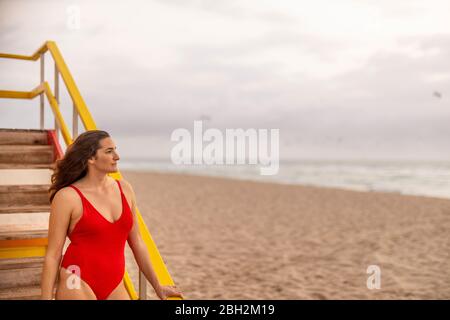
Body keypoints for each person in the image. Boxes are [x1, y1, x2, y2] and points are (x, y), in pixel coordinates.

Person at [41, 130, 183, 300]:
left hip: (114, 284)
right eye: (109, 151)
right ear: (91, 158)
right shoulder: (67, 197)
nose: (117, 156)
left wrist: (158, 286)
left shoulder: (125, 189)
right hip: (76, 278)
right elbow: (53, 254)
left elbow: (137, 242)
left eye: (115, 150)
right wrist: (46, 298)